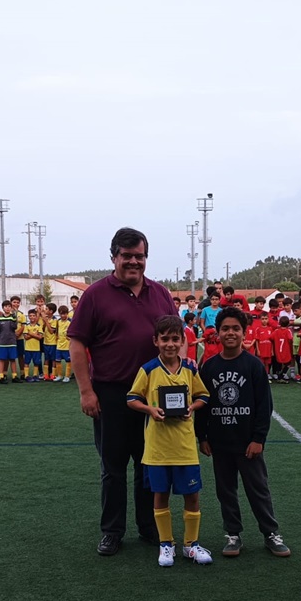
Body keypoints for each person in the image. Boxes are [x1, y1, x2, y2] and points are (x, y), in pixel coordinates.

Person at [68, 226, 178, 556]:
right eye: (126, 256)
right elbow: (77, 344)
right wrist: (86, 392)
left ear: (146, 258)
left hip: (153, 396)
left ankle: (149, 527)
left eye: (139, 256)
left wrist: (178, 380)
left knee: (150, 466)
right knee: (113, 468)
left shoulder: (161, 293)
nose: (133, 262)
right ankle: (112, 531)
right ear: (114, 257)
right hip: (111, 395)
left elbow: (178, 338)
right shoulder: (95, 295)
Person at [196, 307, 291, 559]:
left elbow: (264, 406)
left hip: (248, 443)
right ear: (217, 333)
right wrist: (202, 436)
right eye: (225, 328)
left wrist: (258, 438)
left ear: (244, 332)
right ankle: (233, 534)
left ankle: (271, 533)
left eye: (236, 329)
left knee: (258, 489)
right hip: (220, 443)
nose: (230, 333)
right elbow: (202, 404)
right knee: (226, 491)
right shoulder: (209, 367)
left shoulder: (254, 365)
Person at [126, 315, 212, 567]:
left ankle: (191, 545)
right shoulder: (148, 369)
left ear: (183, 341)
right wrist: (150, 410)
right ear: (156, 341)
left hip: (185, 447)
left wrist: (191, 407)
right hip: (158, 448)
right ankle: (166, 544)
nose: (170, 344)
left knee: (192, 496)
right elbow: (131, 398)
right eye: (165, 339)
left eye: (175, 339)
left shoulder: (190, 369)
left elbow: (203, 396)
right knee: (160, 495)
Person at [0, 300, 20, 384]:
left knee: (12, 359)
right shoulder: (0, 318)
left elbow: (14, 327)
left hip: (12, 342)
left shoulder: (13, 317)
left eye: (9, 306)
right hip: (2, 342)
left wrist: (14, 319)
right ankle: (1, 376)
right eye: (5, 306)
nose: (7, 308)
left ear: (11, 308)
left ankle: (14, 376)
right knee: (1, 359)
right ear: (3, 308)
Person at [54, 303, 73, 382]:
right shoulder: (58, 321)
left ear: (67, 313)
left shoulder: (70, 321)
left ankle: (67, 376)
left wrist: (70, 338)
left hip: (67, 345)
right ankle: (59, 375)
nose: (63, 316)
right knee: (57, 360)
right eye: (61, 314)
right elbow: (57, 331)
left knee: (68, 361)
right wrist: (56, 337)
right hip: (59, 345)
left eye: (64, 314)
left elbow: (73, 332)